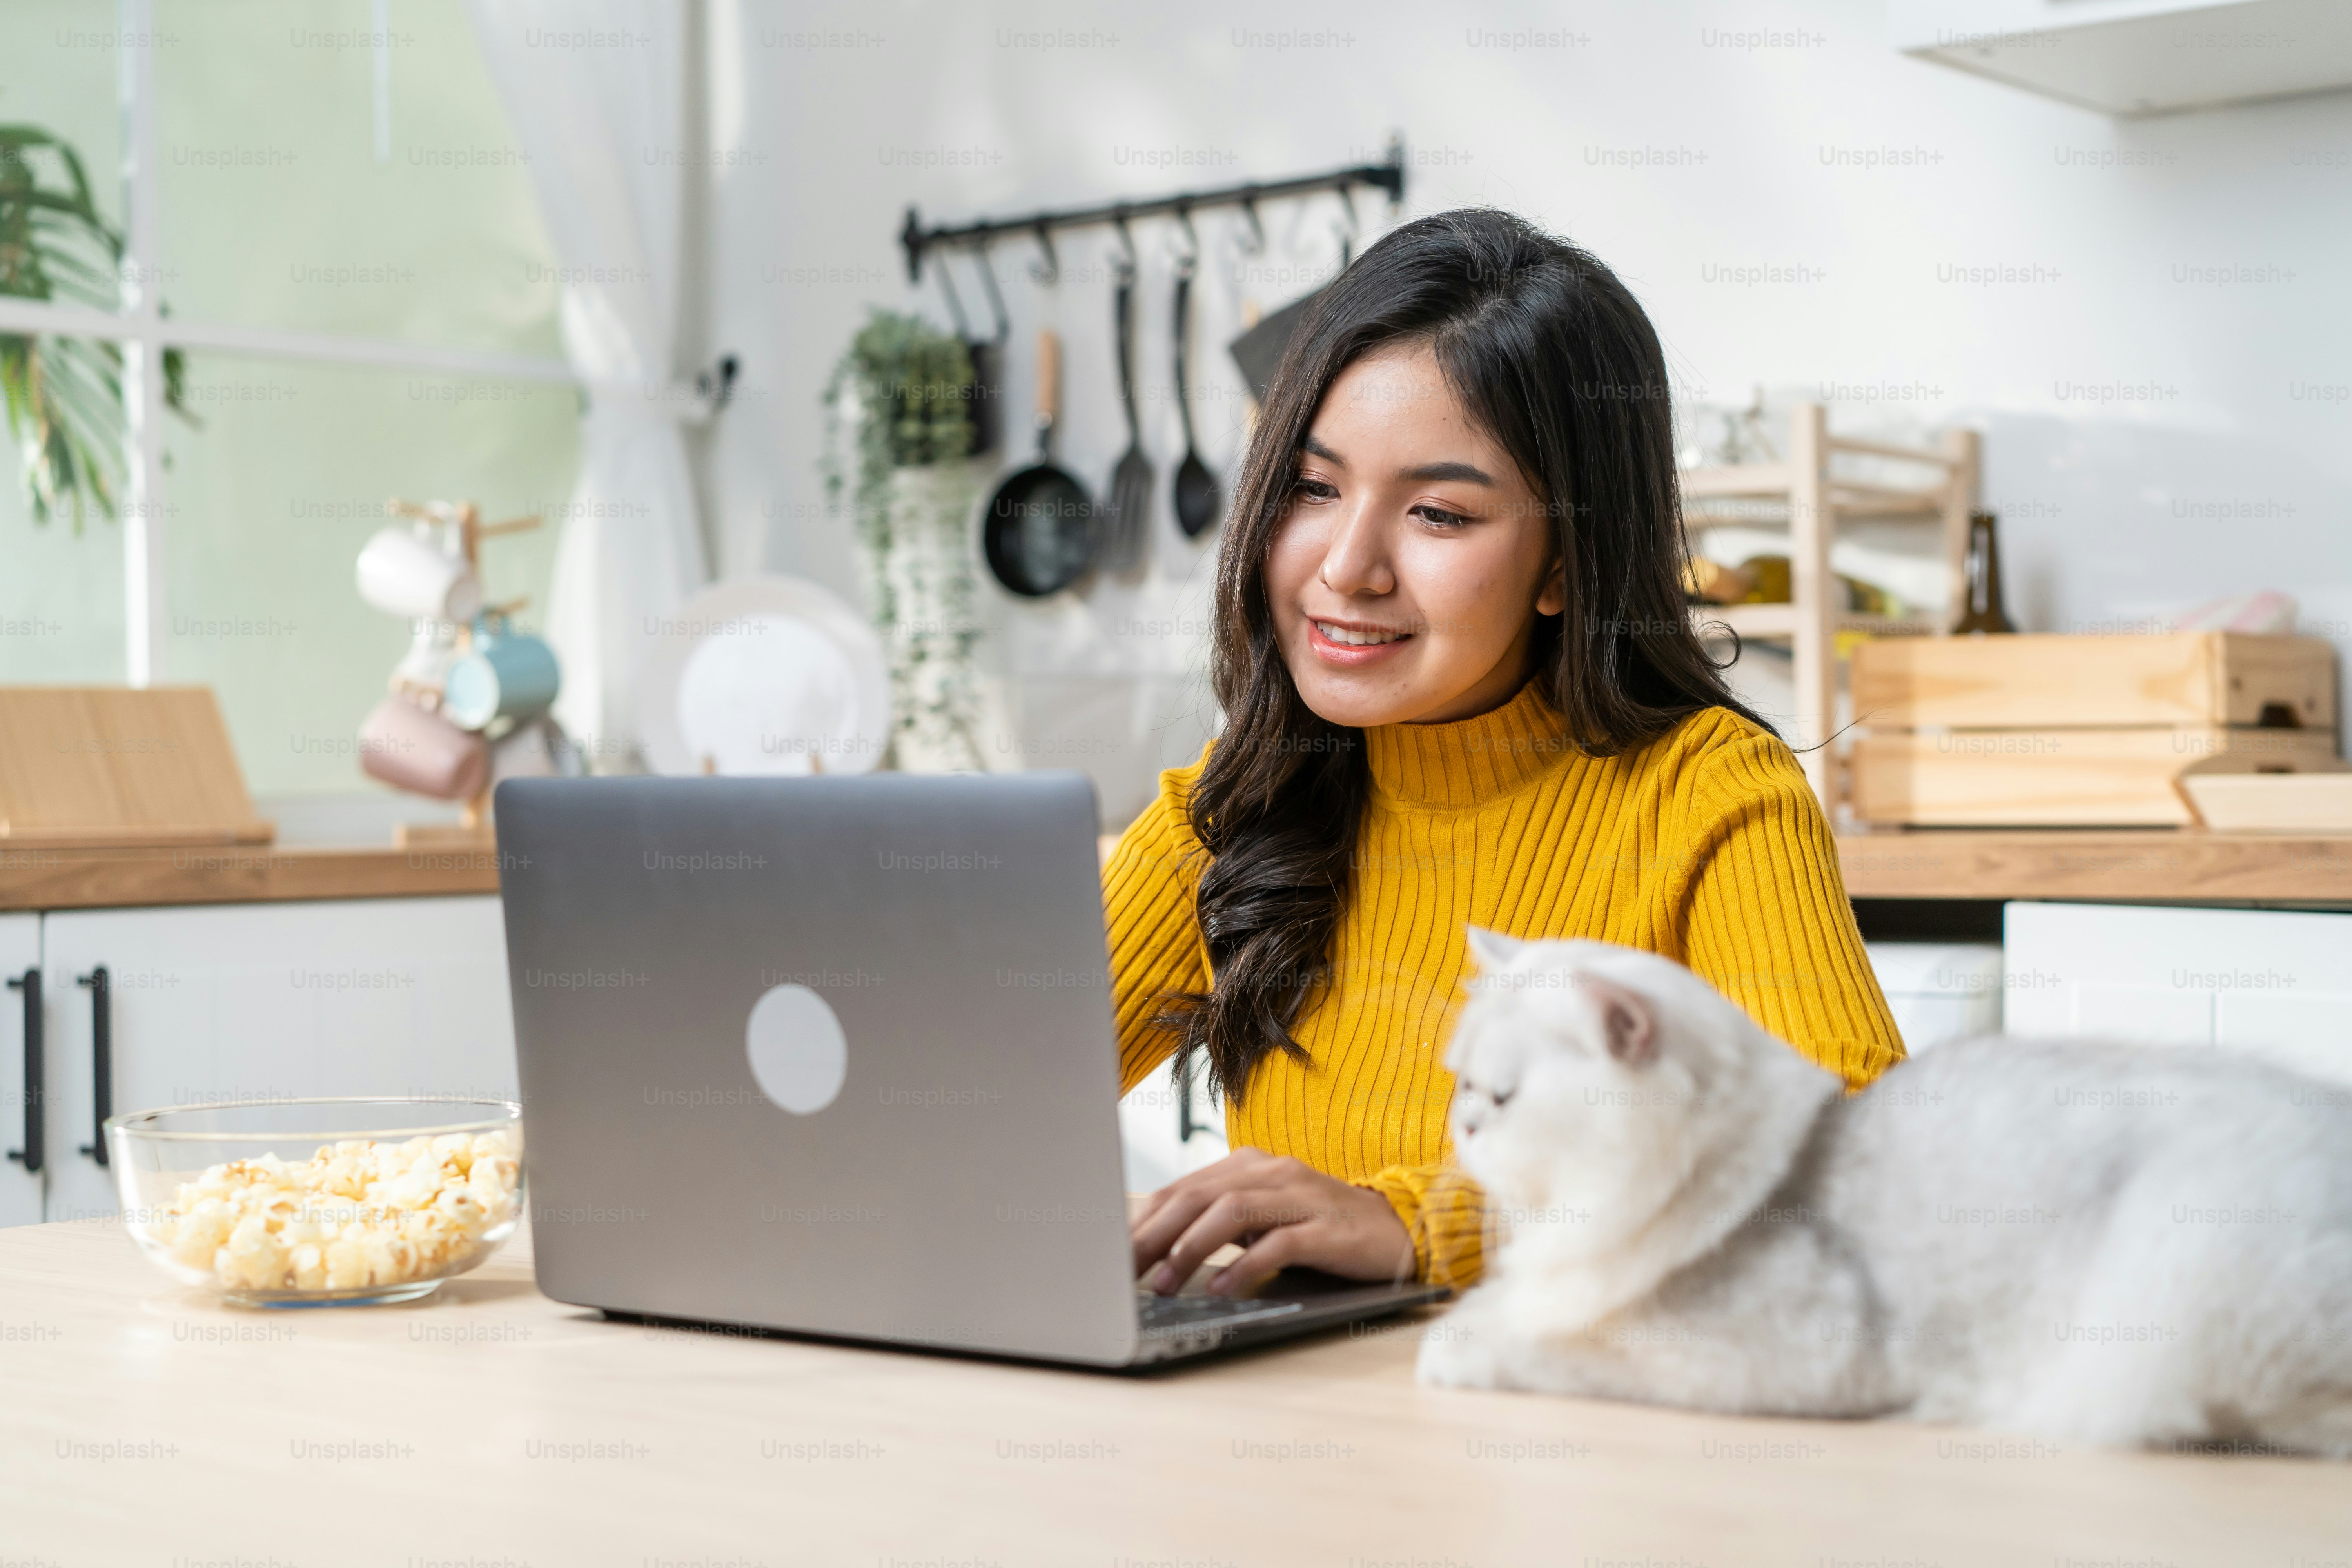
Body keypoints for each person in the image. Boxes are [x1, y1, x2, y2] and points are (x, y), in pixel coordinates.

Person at [1113, 208, 1904, 1299]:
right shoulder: (1235, 806)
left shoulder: (1710, 796)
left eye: (1437, 513)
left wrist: (1421, 1223)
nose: (1346, 567)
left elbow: (1858, 1165)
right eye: (1312, 487)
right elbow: (957, 1087)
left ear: (1567, 564)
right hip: (1288, 1428)